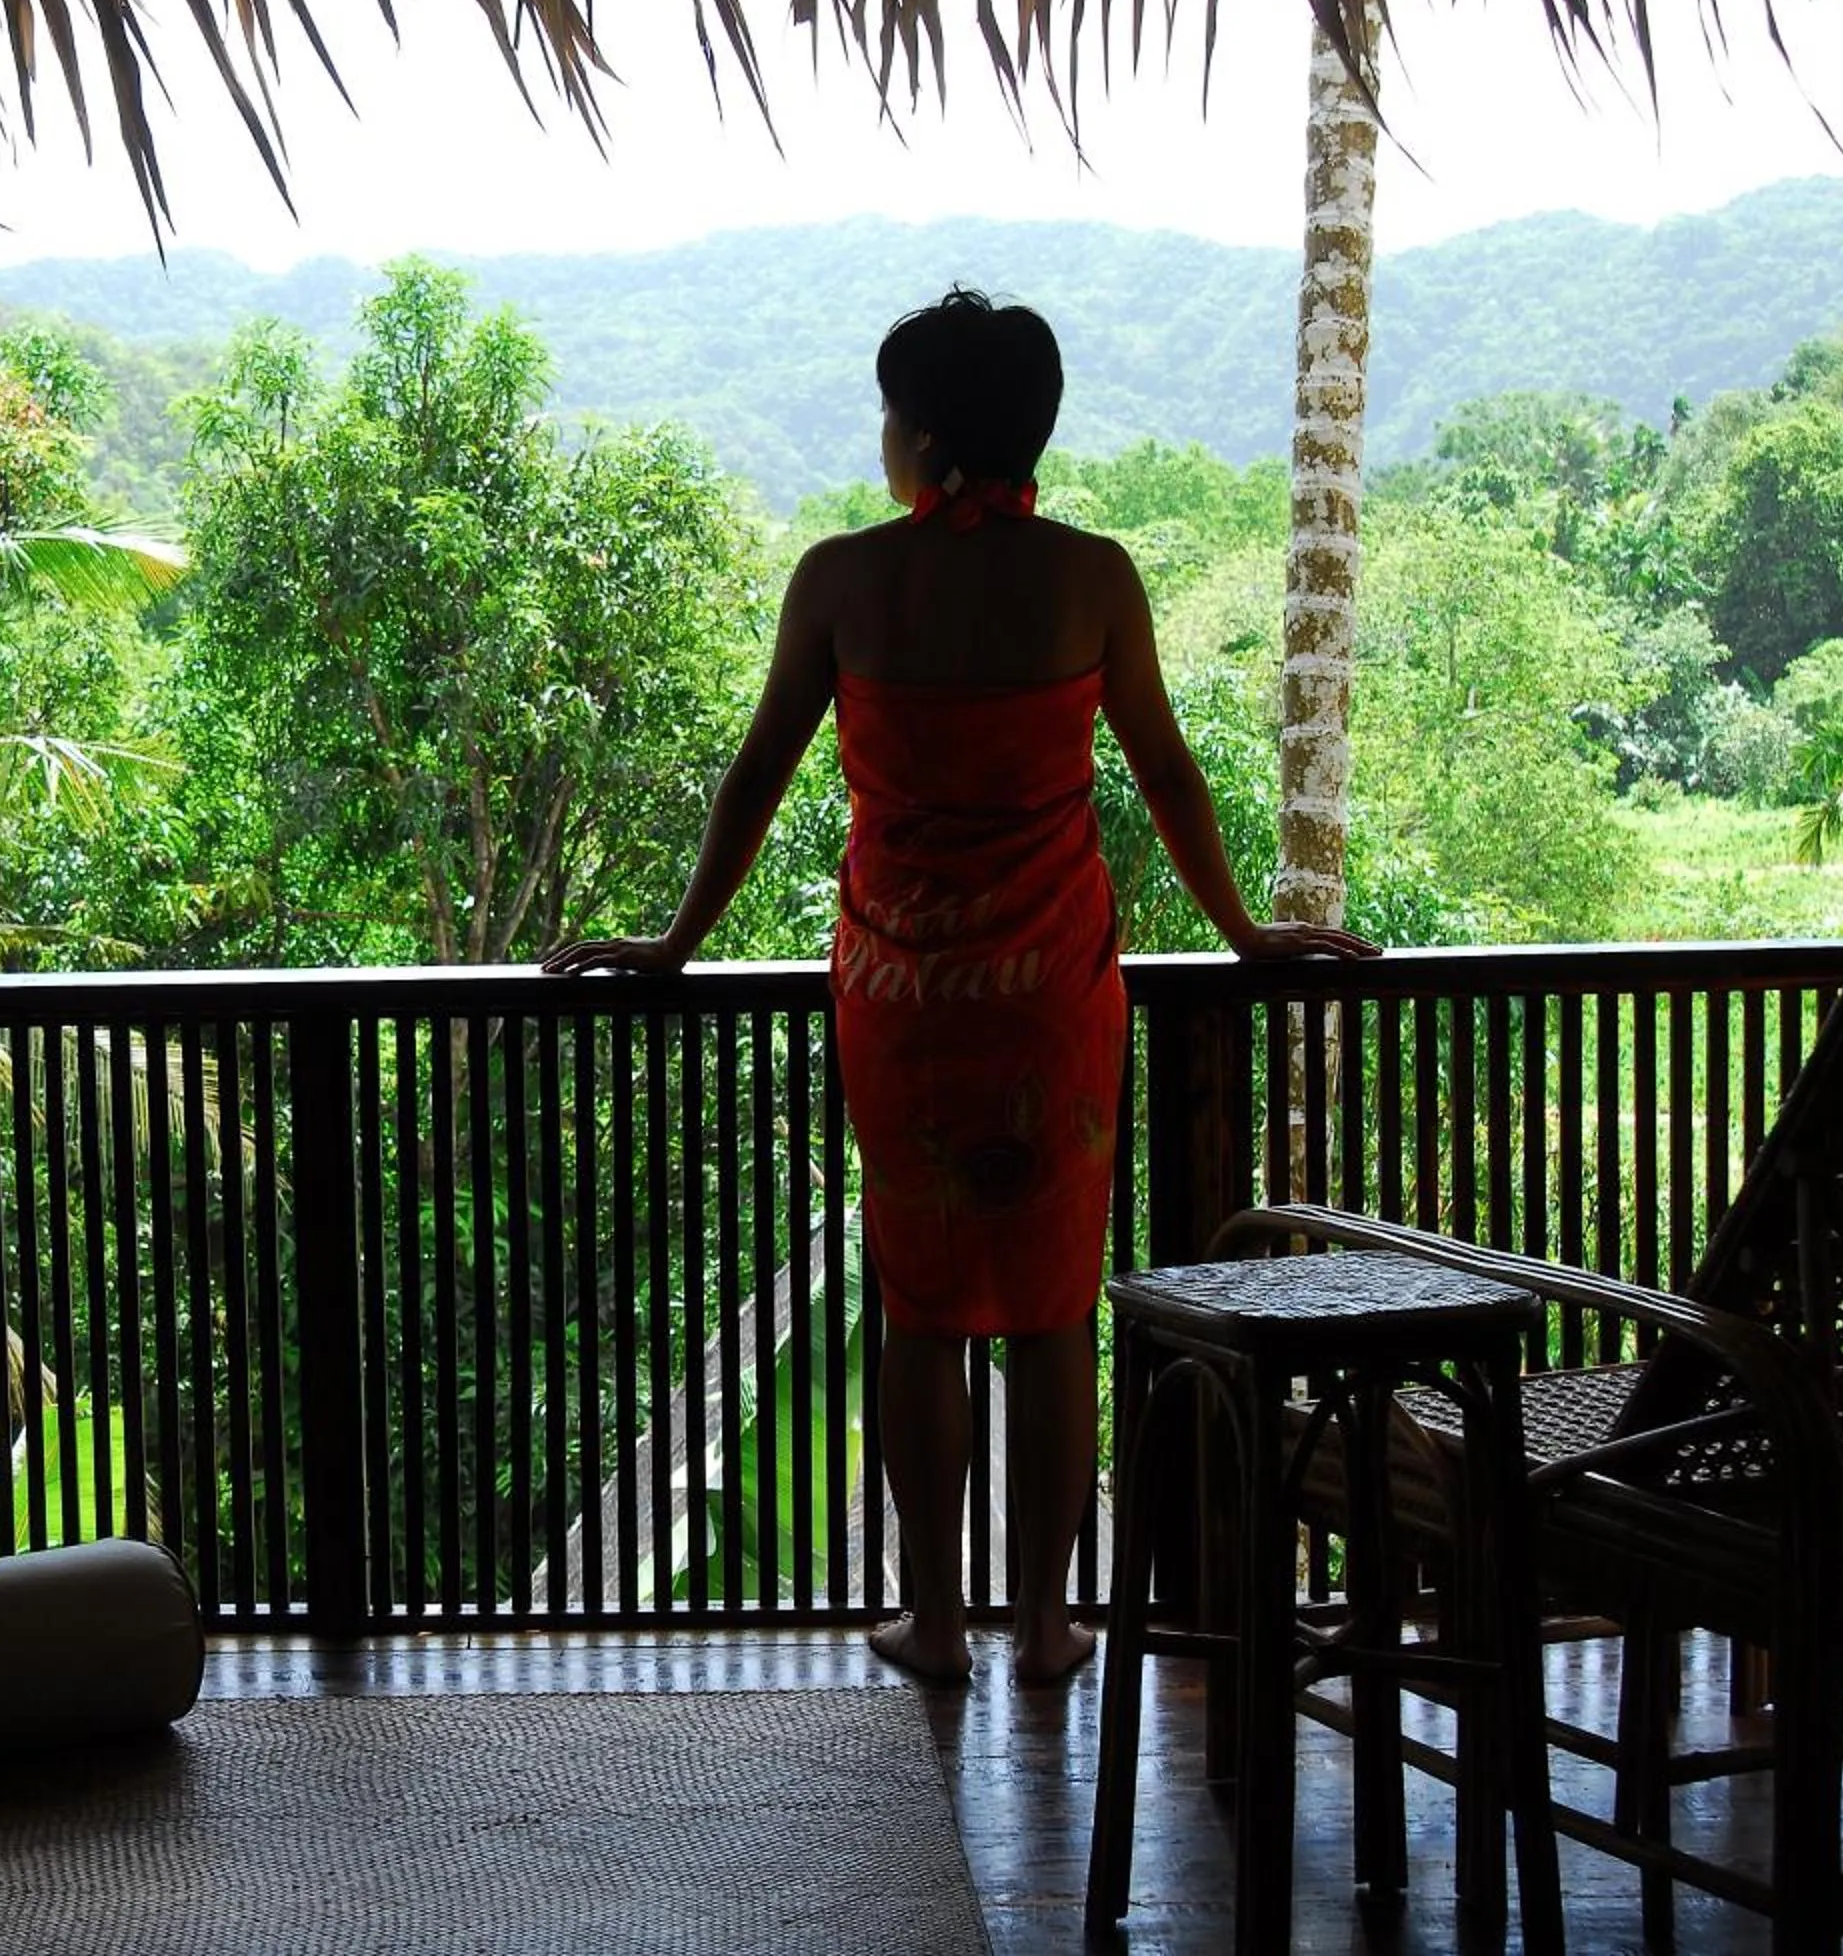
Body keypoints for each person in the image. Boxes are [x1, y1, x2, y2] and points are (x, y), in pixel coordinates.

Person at [542, 288, 1374, 1685]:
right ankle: (1048, 1626)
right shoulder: (1092, 577)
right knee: (1055, 1312)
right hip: (1054, 997)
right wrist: (1242, 934)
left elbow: (757, 776)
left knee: (918, 1314)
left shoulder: (843, 579)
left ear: (919, 437)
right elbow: (1167, 772)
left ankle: (936, 1621)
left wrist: (675, 945)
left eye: (887, 417)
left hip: (903, 999)